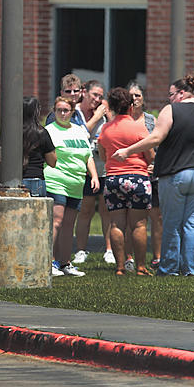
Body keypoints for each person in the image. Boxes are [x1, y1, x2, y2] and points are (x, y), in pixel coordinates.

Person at [113, 75, 194, 276]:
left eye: (171, 94)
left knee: (172, 223)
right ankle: (192, 269)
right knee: (193, 223)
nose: (170, 98)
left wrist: (128, 151)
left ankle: (169, 268)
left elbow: (156, 137)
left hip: (175, 174)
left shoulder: (171, 110)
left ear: (181, 93)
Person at [98, 87, 154, 275]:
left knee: (116, 224)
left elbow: (103, 155)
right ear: (130, 106)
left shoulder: (106, 129)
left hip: (113, 178)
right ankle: (140, 266)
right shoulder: (139, 127)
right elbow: (150, 155)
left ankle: (120, 267)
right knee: (139, 224)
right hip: (137, 177)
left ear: (112, 107)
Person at [45, 95, 99, 277]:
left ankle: (65, 263)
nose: (62, 113)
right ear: (54, 111)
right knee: (57, 222)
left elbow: (88, 156)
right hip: (56, 181)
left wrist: (94, 176)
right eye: (58, 110)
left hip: (76, 184)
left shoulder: (78, 131)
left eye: (66, 110)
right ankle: (49, 262)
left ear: (72, 112)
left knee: (69, 225)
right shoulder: (49, 131)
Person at [73, 80, 113, 266]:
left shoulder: (104, 113)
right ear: (84, 93)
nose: (97, 99)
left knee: (107, 210)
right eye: (94, 95)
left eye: (100, 96)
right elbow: (81, 134)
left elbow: (115, 130)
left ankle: (109, 250)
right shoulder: (76, 112)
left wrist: (108, 113)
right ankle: (81, 250)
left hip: (103, 167)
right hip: (84, 169)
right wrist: (97, 116)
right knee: (86, 210)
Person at [127, 81, 162, 271]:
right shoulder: (122, 120)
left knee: (157, 217)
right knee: (131, 219)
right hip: (130, 174)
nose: (134, 99)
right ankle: (129, 258)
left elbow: (158, 147)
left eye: (138, 95)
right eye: (131, 95)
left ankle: (157, 257)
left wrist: (154, 166)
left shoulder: (151, 121)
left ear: (144, 98)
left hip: (150, 175)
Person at [22, 96, 57, 197]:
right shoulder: (42, 133)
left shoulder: (10, 133)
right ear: (36, 112)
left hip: (13, 181)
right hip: (36, 180)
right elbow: (52, 162)